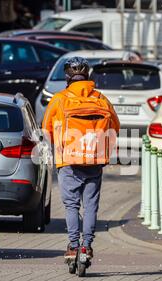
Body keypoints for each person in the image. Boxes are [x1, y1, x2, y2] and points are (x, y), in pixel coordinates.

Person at [42, 57, 120, 261]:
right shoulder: (101, 99)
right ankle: (87, 246)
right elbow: (115, 127)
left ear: (67, 76)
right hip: (94, 160)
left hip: (68, 160)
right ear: (88, 75)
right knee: (91, 205)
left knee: (71, 205)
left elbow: (46, 129)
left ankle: (73, 246)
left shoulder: (60, 99)